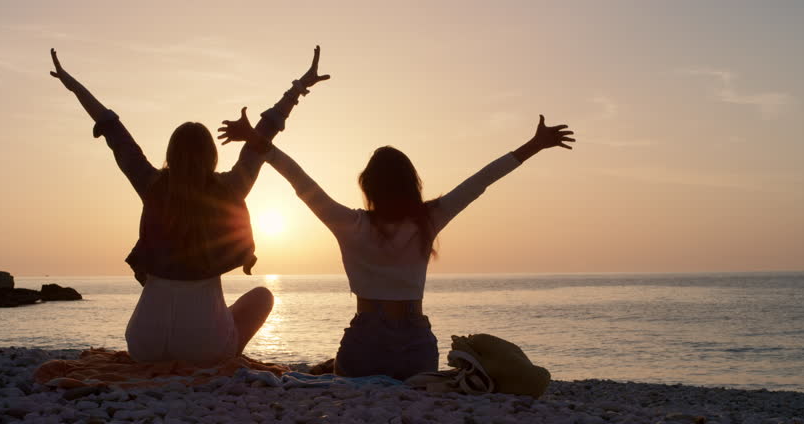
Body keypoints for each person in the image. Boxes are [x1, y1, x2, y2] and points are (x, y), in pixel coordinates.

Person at [217, 108, 574, 380]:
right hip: (415, 347)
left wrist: (256, 138)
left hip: (364, 345)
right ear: (411, 185)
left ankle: (332, 367)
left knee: (339, 374)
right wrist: (535, 145)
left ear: (368, 186)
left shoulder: (349, 223)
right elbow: (481, 180)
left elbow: (299, 179)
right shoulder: (429, 219)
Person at [49, 47, 330, 365]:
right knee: (262, 297)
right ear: (212, 156)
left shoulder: (151, 185)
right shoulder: (230, 190)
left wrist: (73, 86)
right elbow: (263, 134)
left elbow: (113, 129)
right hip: (205, 348)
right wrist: (298, 88)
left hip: (145, 345)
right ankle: (218, 345)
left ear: (171, 153)